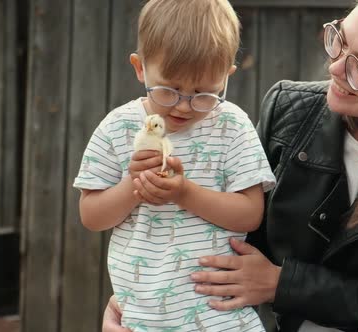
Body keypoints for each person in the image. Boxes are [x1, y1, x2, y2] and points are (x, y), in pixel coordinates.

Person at [102, 0, 358, 331]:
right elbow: (228, 245)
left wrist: (283, 283)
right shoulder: (288, 112)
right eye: (339, 40)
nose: (334, 68)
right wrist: (139, 307)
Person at [74, 0, 275, 331]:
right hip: (143, 315)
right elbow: (92, 216)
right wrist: (133, 186)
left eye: (204, 94)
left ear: (227, 76)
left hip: (220, 314)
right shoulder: (118, 128)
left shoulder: (232, 126)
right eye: (169, 90)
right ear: (140, 68)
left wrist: (185, 193)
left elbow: (250, 214)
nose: (184, 105)